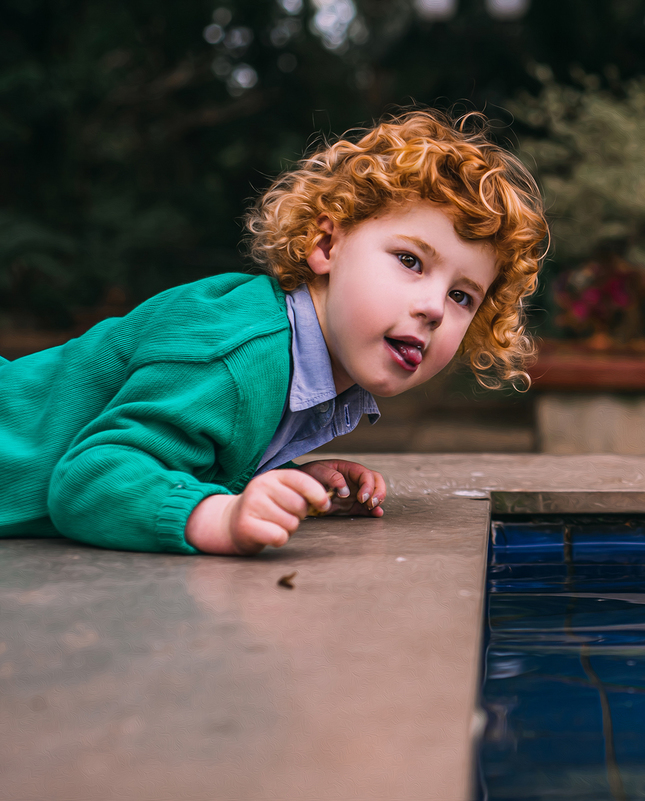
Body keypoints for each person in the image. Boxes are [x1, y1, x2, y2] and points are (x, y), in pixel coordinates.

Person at [0, 109, 547, 556]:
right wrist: (217, 515)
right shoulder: (235, 357)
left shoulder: (285, 356)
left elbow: (196, 445)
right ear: (326, 246)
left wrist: (275, 475)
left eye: (462, 296)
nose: (433, 308)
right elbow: (89, 480)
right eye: (410, 260)